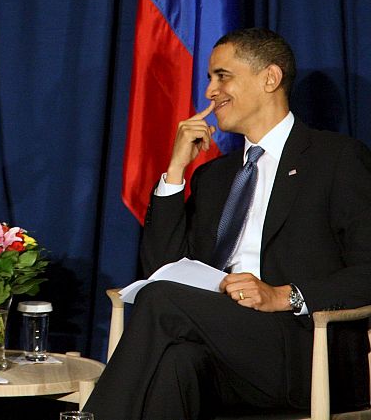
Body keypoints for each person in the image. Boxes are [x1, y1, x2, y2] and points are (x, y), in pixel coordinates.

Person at [84, 28, 371, 419]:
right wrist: (175, 171)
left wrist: (283, 296)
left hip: (304, 346)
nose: (209, 92)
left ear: (270, 78)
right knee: (176, 363)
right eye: (210, 79)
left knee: (163, 301)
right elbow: (162, 270)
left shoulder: (337, 159)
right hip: (223, 349)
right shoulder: (214, 176)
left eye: (222, 76)